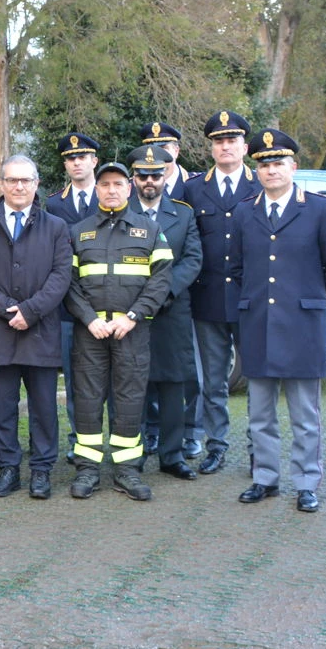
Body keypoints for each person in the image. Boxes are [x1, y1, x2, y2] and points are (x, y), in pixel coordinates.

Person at [230, 129, 326, 514]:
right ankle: (265, 477)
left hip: (302, 325)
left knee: (305, 414)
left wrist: (310, 299)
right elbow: (237, 266)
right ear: (256, 170)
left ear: (293, 167)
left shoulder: (319, 209)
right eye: (264, 164)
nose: (271, 170)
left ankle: (307, 482)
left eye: (278, 163)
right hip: (258, 323)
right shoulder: (245, 211)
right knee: (260, 412)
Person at [64, 161, 173, 501]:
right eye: (105, 184)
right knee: (87, 399)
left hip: (132, 330)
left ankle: (127, 469)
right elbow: (68, 282)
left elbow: (161, 280)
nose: (111, 190)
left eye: (118, 184)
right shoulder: (78, 232)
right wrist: (88, 318)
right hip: (90, 332)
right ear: (96, 189)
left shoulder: (150, 230)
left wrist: (133, 316)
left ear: (129, 188)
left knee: (130, 399)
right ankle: (87, 469)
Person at [0, 155, 71, 501]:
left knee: (44, 406)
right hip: (0, 330)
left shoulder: (56, 227)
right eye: (12, 180)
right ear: (2, 184)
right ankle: (8, 468)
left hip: (41, 330)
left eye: (26, 180)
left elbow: (61, 276)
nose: (19, 186)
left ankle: (41, 469)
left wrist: (30, 310)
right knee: (3, 405)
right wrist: (7, 309)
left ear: (36, 184)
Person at [181, 110, 255, 474]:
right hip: (207, 299)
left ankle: (259, 447)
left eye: (232, 140)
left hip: (252, 300)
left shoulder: (261, 185)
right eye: (219, 141)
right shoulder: (193, 189)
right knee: (213, 381)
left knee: (259, 379)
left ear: (245, 147)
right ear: (211, 148)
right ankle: (217, 445)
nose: (226, 146)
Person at [127, 145, 203, 481]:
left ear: (165, 176)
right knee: (134, 385)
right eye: (143, 175)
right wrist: (141, 299)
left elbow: (193, 260)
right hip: (131, 312)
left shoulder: (184, 214)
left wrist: (162, 292)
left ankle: (172, 456)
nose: (149, 181)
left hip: (172, 311)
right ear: (134, 178)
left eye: (155, 175)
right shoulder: (121, 211)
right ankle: (134, 453)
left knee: (173, 385)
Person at [43, 132, 100, 458]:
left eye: (82, 157)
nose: (76, 163)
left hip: (108, 304)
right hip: (67, 307)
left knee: (117, 381)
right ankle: (79, 441)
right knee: (75, 381)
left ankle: (119, 440)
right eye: (70, 158)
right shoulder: (54, 204)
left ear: (94, 161)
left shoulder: (112, 195)